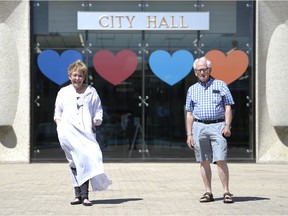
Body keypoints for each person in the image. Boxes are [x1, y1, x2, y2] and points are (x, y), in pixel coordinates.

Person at [54, 60, 112, 206]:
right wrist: (60, 128)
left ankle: (85, 196)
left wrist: (96, 121)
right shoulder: (63, 92)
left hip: (86, 133)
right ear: (69, 76)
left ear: (84, 77)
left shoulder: (91, 91)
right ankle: (78, 195)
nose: (77, 78)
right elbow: (57, 113)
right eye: (74, 75)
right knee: (74, 162)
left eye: (80, 76)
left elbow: (98, 110)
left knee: (85, 161)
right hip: (68, 134)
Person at [185, 56, 234, 204]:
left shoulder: (221, 85)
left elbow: (228, 107)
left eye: (204, 69)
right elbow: (189, 113)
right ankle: (208, 192)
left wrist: (227, 125)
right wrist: (189, 134)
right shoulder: (192, 89)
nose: (202, 72)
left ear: (209, 70)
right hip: (198, 127)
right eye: (199, 70)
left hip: (218, 126)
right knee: (203, 160)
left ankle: (226, 192)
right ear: (195, 72)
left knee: (220, 159)